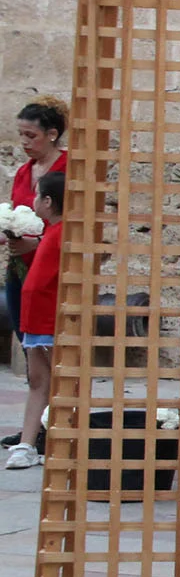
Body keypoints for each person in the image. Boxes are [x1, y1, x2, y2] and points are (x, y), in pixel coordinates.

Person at [7, 96, 66, 400]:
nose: (25, 142)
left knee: (55, 351)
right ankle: (37, 421)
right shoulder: (23, 172)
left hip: (54, 269)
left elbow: (73, 222)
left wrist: (38, 242)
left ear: (52, 134)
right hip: (20, 266)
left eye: (32, 135)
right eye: (22, 135)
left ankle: (53, 419)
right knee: (29, 344)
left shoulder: (68, 166)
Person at [8, 170, 63, 469]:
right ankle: (27, 444)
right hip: (34, 319)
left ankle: (61, 440)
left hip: (50, 320)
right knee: (38, 380)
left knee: (61, 380)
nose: (32, 201)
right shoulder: (50, 232)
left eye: (38, 196)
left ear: (48, 202)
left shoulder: (62, 233)